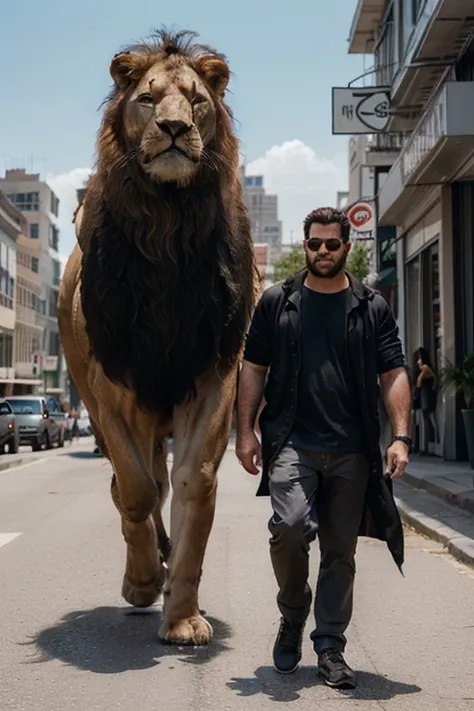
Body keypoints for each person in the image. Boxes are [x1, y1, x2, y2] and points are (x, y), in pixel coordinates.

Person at [236, 207, 411, 690]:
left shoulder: (370, 306)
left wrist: (399, 436)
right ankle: (293, 614)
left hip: (353, 450)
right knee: (289, 529)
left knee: (340, 552)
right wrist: (245, 430)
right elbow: (253, 366)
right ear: (306, 243)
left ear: (346, 248)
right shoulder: (278, 301)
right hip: (293, 442)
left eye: (332, 244)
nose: (322, 252)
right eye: (314, 244)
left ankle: (330, 645)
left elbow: (393, 372)